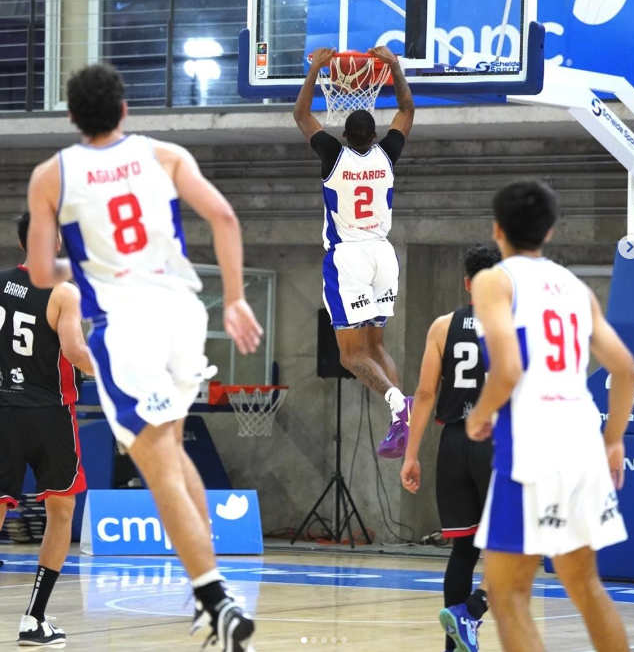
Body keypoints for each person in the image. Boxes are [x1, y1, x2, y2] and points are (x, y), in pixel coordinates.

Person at [27, 63, 264, 652]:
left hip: (129, 325)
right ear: (126, 110)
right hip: (187, 313)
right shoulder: (166, 155)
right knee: (173, 447)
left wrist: (81, 268)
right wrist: (234, 298)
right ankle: (214, 596)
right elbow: (224, 217)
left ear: (73, 117)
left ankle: (215, 598)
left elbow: (39, 271)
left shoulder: (50, 176)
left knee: (156, 465)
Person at [466, 181, 634, 652]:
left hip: (532, 446)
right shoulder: (575, 287)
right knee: (586, 586)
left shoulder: (494, 280)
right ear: (551, 231)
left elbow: (508, 370)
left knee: (507, 593)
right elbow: (624, 370)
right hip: (582, 439)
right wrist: (614, 440)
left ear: (497, 229)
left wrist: (479, 414)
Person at [293, 46, 416, 459]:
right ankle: (402, 420)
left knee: (350, 357)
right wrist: (394, 67)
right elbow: (407, 109)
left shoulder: (332, 154)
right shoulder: (389, 153)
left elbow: (301, 116)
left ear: (345, 135)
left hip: (349, 258)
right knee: (376, 347)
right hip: (384, 255)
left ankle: (400, 404)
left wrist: (314, 71)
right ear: (375, 134)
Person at [401, 243, 501, 652]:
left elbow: (424, 393)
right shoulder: (515, 323)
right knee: (511, 545)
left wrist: (410, 454)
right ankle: (473, 610)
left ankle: (454, 646)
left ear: (466, 283)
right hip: (496, 440)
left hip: (453, 444)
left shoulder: (443, 325)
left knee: (463, 549)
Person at [0, 212, 94, 646]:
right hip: (50, 412)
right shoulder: (63, 291)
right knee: (61, 510)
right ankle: (34, 619)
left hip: (3, 409)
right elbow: (75, 350)